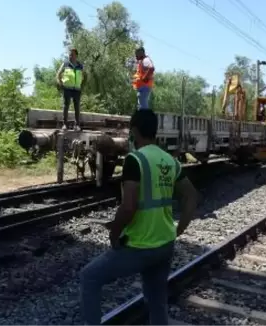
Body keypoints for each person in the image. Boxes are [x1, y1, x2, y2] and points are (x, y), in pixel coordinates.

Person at [79, 109, 199, 326]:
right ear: (155, 131)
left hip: (140, 245)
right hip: (165, 243)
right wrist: (179, 229)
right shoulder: (170, 161)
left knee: (90, 277)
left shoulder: (135, 160)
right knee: (157, 300)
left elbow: (129, 206)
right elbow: (191, 197)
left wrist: (114, 234)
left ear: (133, 131)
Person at [56, 48, 86, 131]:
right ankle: (65, 124)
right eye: (69, 54)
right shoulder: (65, 64)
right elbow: (58, 74)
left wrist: (82, 85)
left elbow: (86, 76)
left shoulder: (80, 65)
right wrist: (60, 83)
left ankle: (77, 125)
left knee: (77, 107)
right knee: (66, 106)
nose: (70, 56)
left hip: (77, 89)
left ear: (76, 55)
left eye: (72, 54)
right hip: (67, 88)